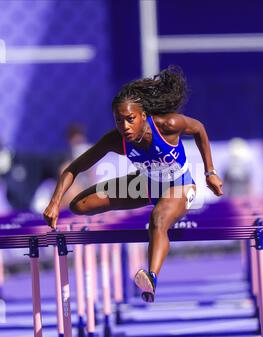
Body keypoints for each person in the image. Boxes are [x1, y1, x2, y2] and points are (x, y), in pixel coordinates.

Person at [43, 66, 223, 303]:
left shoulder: (168, 125)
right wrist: (55, 203)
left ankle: (151, 278)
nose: (125, 127)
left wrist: (210, 172)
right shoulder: (116, 140)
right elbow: (74, 167)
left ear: (143, 116)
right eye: (119, 121)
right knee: (79, 205)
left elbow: (199, 129)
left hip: (180, 186)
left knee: (158, 221)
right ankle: (149, 270)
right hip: (145, 185)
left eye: (130, 120)